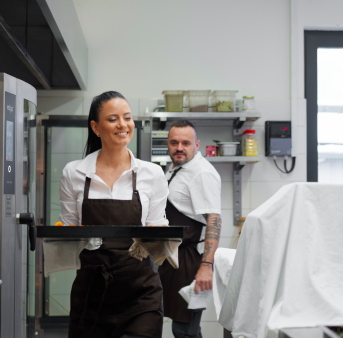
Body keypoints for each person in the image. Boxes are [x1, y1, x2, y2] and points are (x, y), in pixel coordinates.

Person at [59, 91, 169, 338]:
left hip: (141, 293)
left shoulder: (152, 174)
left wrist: (159, 237)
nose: (123, 125)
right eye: (113, 119)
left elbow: (157, 231)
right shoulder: (74, 172)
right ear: (96, 127)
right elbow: (69, 230)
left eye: (127, 117)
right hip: (92, 291)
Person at [158, 120, 222, 338]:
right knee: (182, 327)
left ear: (197, 145)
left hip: (192, 260)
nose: (179, 148)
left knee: (185, 329)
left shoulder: (201, 173)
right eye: (174, 142)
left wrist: (206, 266)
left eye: (186, 143)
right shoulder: (177, 167)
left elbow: (213, 219)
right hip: (175, 257)